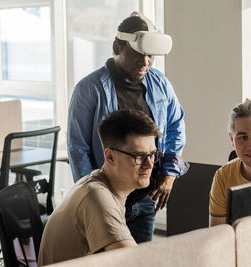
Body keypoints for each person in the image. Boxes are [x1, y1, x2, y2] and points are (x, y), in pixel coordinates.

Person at [67, 12, 188, 243]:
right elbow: (78, 148)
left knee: (139, 259)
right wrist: (93, 199)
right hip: (106, 198)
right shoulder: (89, 89)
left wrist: (169, 174)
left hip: (145, 196)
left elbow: (175, 125)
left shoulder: (159, 83)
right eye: (137, 54)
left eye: (150, 56)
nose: (145, 62)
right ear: (117, 47)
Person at [39, 110, 162, 265]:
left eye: (152, 154)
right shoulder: (97, 196)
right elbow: (134, 263)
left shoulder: (102, 183)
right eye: (139, 156)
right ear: (110, 156)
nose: (149, 164)